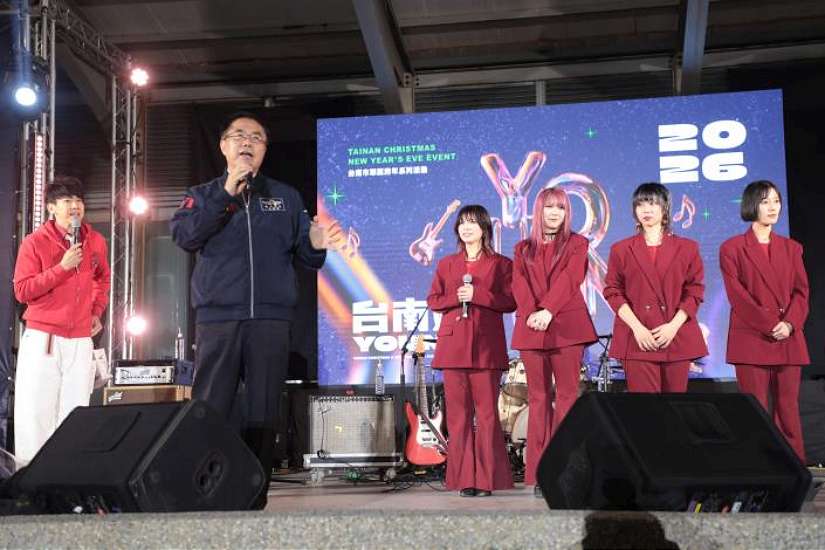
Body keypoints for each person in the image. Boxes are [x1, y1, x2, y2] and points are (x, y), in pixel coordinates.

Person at [170, 112, 341, 506]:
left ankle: (253, 493)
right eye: (239, 135)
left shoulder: (286, 197)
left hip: (271, 318)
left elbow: (307, 255)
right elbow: (186, 236)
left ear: (264, 149)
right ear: (223, 146)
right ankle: (205, 491)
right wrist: (226, 192)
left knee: (263, 409)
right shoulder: (202, 194)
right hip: (218, 318)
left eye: (256, 137)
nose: (247, 142)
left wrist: (316, 242)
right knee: (211, 406)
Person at [13, 176, 110, 463]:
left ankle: (69, 480)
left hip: (80, 340)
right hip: (44, 338)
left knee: (75, 415)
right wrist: (62, 268)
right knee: (36, 415)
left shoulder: (95, 241)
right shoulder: (34, 242)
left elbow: (102, 279)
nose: (75, 206)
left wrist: (96, 310)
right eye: (67, 201)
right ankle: (30, 481)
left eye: (79, 201)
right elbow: (22, 290)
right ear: (52, 208)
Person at [511, 187, 597, 497]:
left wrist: (548, 310)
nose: (554, 213)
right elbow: (518, 284)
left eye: (560, 208)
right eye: (549, 207)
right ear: (538, 210)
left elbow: (571, 278)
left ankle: (565, 470)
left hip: (567, 327)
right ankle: (538, 474)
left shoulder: (577, 243)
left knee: (567, 397)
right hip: (532, 327)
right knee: (537, 399)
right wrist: (533, 314)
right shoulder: (522, 248)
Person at [426, 204, 515, 497]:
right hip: (453, 348)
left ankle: (486, 480)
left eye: (473, 223)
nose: (466, 228)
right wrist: (456, 297)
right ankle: (464, 479)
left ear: (484, 228)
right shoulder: (447, 264)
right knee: (458, 417)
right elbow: (433, 300)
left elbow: (510, 301)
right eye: (462, 223)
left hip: (486, 348)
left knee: (487, 416)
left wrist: (479, 295)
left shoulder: (501, 264)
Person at [719, 180, 809, 462]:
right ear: (751, 205)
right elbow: (738, 295)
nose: (773, 207)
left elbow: (801, 292)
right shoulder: (732, 248)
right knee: (755, 409)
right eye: (765, 201)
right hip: (752, 337)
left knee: (788, 408)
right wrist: (770, 324)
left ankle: (794, 466)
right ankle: (758, 466)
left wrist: (790, 324)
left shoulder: (792, 248)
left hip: (788, 337)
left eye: (776, 201)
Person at [603, 182, 707, 392]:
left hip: (675, 335)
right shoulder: (621, 249)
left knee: (674, 406)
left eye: (652, 204)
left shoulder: (687, 248)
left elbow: (694, 291)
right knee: (645, 407)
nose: (646, 210)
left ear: (665, 208)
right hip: (638, 338)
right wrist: (638, 328)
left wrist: (673, 327)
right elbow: (613, 291)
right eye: (640, 204)